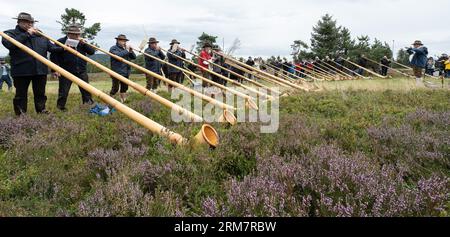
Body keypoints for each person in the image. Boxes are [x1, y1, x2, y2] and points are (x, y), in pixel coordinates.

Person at [2, 12, 64, 116]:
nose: (29, 24)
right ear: (19, 22)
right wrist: (27, 34)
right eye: (26, 22)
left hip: (40, 70)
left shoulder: (40, 35)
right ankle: (21, 114)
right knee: (21, 94)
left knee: (40, 93)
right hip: (21, 70)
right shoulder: (9, 34)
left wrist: (64, 48)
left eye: (31, 22)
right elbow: (10, 44)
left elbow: (52, 48)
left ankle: (41, 110)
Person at [50, 24, 95, 111]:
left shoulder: (82, 42)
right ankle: (60, 108)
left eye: (79, 34)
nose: (78, 36)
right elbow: (53, 56)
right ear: (69, 34)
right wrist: (54, 69)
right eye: (75, 34)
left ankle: (88, 106)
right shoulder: (60, 41)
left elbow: (91, 52)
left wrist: (85, 44)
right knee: (63, 91)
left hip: (81, 70)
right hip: (65, 71)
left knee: (86, 90)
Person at [109, 34, 136, 102]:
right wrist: (126, 50)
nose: (124, 42)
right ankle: (110, 100)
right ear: (118, 40)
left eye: (125, 41)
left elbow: (134, 57)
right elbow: (117, 56)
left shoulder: (126, 49)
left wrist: (131, 51)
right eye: (122, 40)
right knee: (115, 88)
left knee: (124, 88)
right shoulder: (113, 48)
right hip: (116, 71)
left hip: (126, 71)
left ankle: (123, 101)